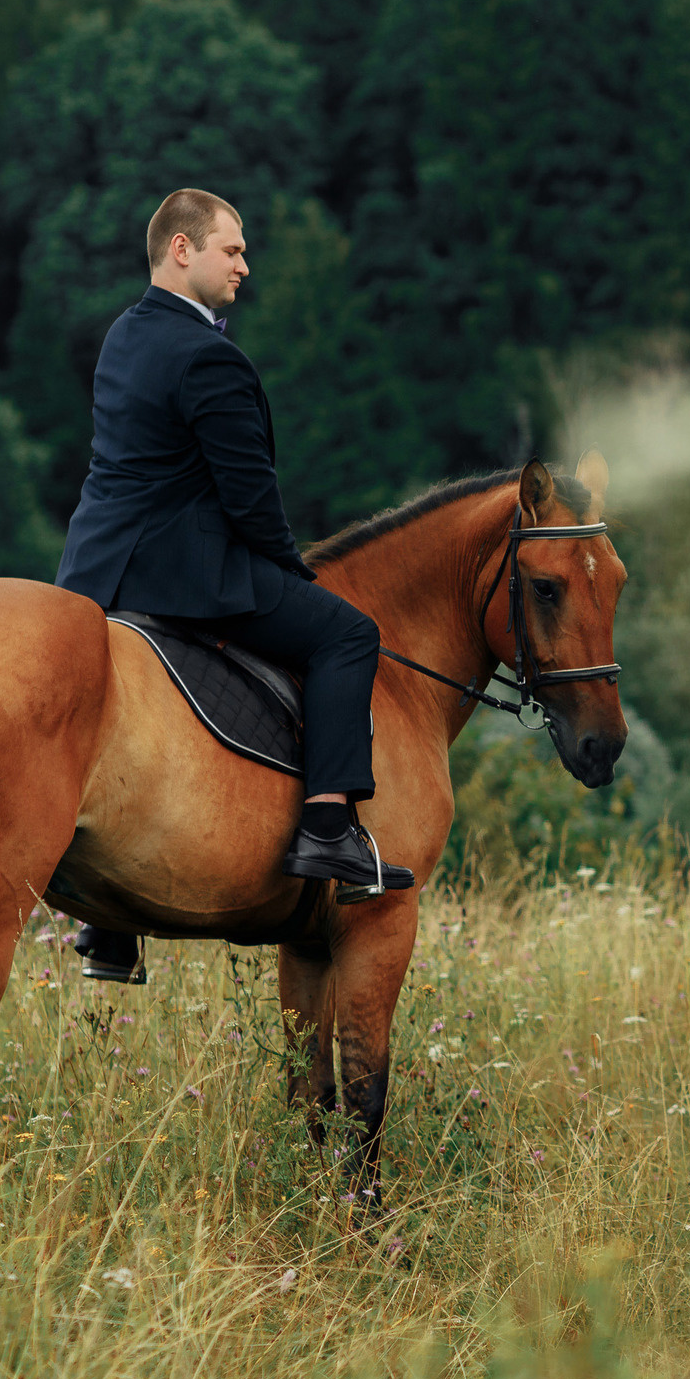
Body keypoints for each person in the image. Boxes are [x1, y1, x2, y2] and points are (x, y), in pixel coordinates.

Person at [54, 189, 411, 981]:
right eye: (232, 249)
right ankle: (328, 825)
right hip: (187, 576)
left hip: (96, 577)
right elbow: (249, 497)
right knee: (347, 632)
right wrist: (293, 571)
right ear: (182, 250)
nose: (245, 264)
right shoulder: (209, 355)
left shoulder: (123, 334)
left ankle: (106, 924)